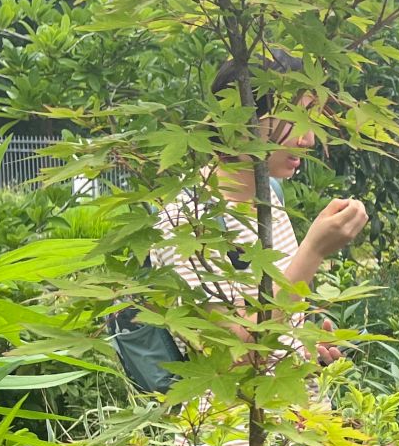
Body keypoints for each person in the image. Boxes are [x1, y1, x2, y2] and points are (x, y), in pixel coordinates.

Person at [152, 50, 368, 363]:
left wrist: (307, 351)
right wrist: (314, 250)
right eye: (294, 119)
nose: (308, 139)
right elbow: (235, 359)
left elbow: (276, 320)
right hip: (232, 398)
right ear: (243, 122)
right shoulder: (186, 220)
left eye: (311, 120)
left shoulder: (270, 196)